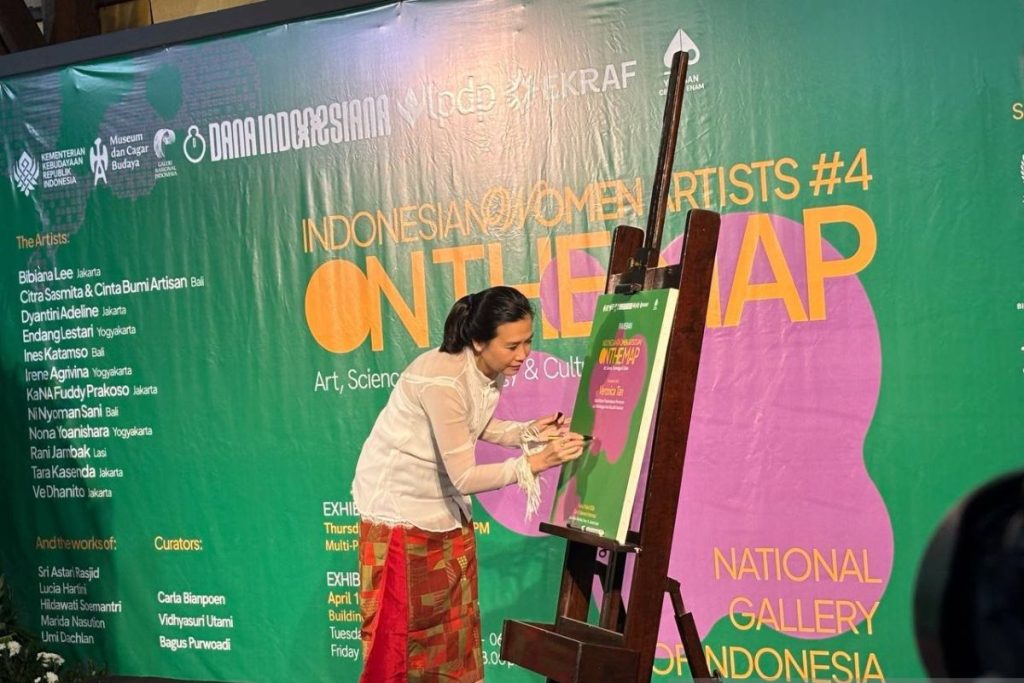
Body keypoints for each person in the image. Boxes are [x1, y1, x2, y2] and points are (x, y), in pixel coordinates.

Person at [351, 285, 585, 682]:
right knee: (400, 638)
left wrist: (529, 431)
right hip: (402, 514)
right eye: (512, 346)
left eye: (528, 342)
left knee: (453, 630)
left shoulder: (487, 370)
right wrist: (535, 463)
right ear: (478, 341)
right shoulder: (443, 381)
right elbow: (464, 475)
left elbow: (475, 424)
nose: (523, 355)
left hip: (444, 510)